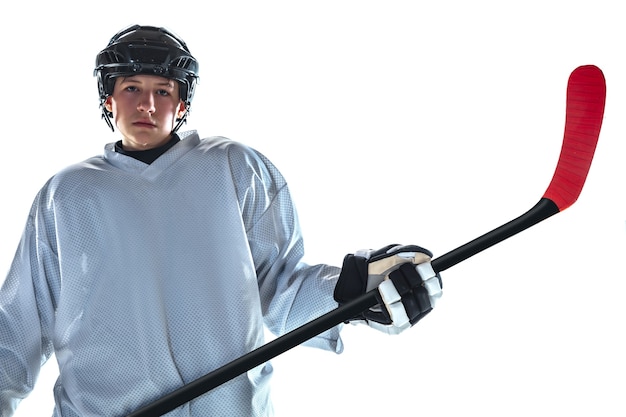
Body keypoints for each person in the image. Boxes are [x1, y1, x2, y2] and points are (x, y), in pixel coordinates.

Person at [0, 25, 442, 416]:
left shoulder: (235, 168)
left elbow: (283, 287)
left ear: (183, 101)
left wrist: (356, 288)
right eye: (132, 88)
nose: (148, 105)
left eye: (163, 90)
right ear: (108, 98)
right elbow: (18, 327)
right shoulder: (66, 195)